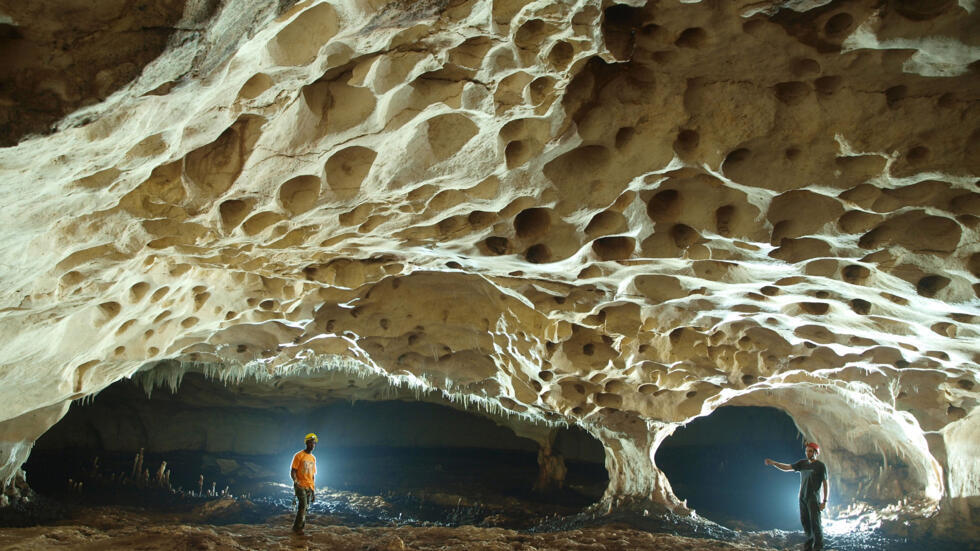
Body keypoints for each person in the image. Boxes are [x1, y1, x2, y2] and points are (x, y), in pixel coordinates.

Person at [765, 442, 829, 551]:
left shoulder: (820, 466)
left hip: (813, 498)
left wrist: (825, 501)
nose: (807, 453)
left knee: (815, 523)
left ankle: (818, 547)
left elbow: (825, 483)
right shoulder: (802, 463)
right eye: (806, 451)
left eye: (810, 451)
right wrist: (774, 463)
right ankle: (808, 547)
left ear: (816, 452)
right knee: (805, 523)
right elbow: (787, 467)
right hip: (802, 497)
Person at [290, 433, 318, 534]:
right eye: (311, 443)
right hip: (300, 485)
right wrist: (295, 481)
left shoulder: (313, 458)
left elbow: (312, 476)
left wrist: (313, 491)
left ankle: (299, 527)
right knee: (303, 506)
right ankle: (297, 529)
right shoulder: (299, 455)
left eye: (314, 443)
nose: (313, 445)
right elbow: (293, 471)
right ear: (306, 443)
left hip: (309, 486)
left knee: (305, 508)